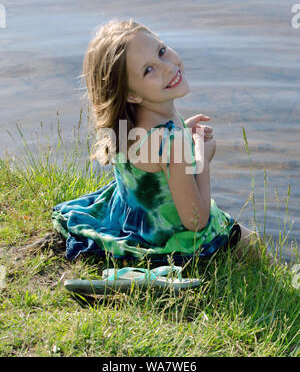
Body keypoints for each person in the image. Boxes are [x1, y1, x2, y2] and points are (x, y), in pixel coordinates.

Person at [52, 19, 259, 263]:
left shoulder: (126, 124)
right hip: (169, 238)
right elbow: (196, 220)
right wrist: (202, 157)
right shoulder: (170, 144)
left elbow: (152, 158)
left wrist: (183, 133)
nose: (167, 67)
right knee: (252, 243)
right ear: (130, 94)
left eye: (161, 51)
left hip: (135, 220)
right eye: (148, 70)